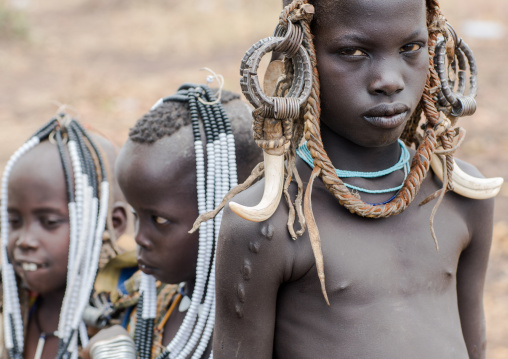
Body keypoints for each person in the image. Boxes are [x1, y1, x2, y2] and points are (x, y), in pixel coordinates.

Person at [213, 0, 502, 358]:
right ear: (301, 53)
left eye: (411, 48)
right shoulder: (269, 223)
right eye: (353, 51)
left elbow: (475, 345)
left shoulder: (461, 196)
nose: (390, 81)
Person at [84, 83, 262, 359]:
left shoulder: (268, 323)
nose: (139, 238)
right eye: (136, 215)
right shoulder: (140, 301)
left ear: (229, 208)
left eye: (159, 220)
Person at [0, 115, 129, 359]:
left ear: (112, 223)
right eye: (14, 221)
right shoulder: (14, 308)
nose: (24, 240)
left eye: (49, 222)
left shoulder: (131, 318)